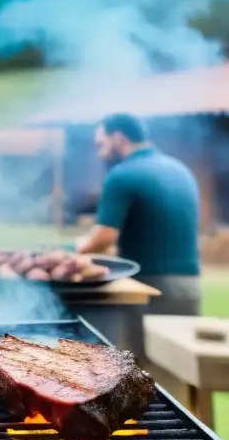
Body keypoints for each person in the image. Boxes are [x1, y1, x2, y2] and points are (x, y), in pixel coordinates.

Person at [76, 113, 201, 355]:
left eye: (101, 145)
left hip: (149, 287)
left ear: (118, 138)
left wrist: (78, 249)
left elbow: (103, 238)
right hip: (189, 287)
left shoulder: (123, 175)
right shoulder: (180, 170)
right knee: (179, 371)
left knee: (139, 372)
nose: (100, 154)